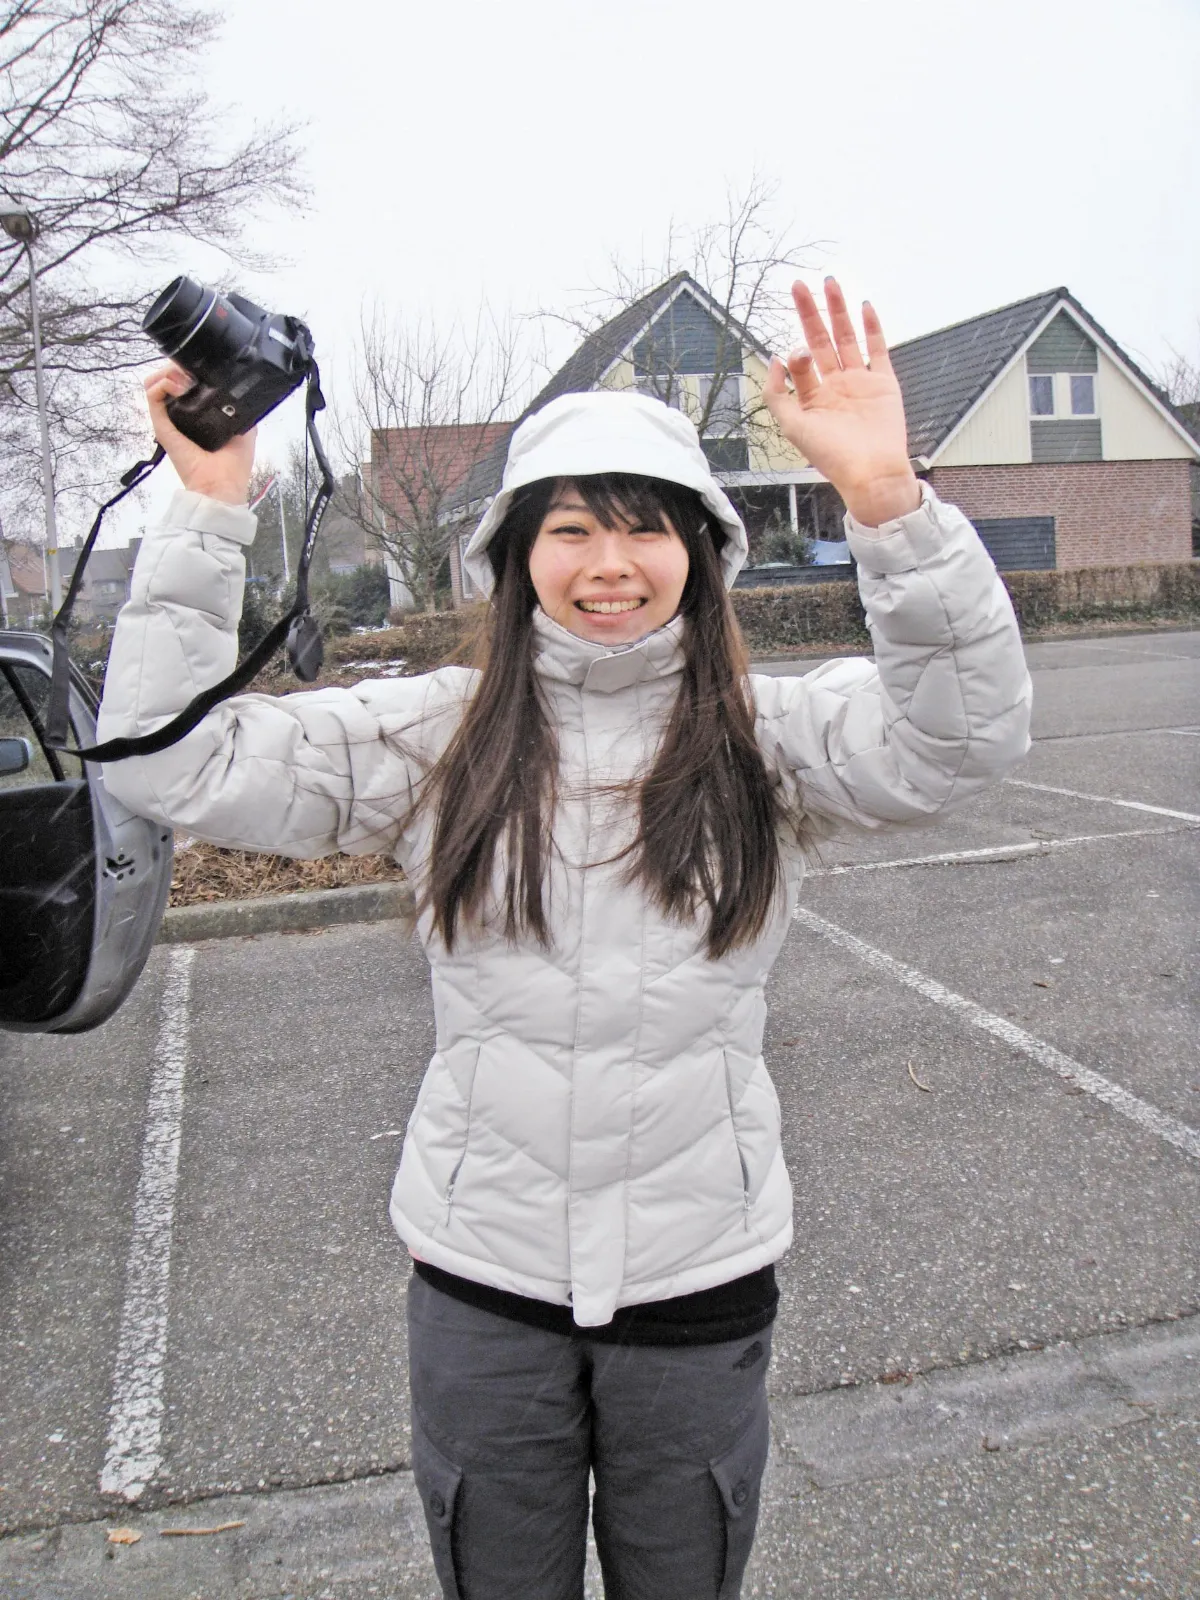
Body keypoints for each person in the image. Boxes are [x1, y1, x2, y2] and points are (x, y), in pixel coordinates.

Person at [98, 278, 1032, 1599]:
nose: (609, 565)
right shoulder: (433, 734)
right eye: (575, 529)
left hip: (700, 1284)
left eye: (647, 532)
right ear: (516, 554)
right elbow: (166, 765)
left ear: (702, 557)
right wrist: (205, 508)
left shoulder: (766, 737)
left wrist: (888, 501)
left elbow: (964, 737)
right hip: (484, 1284)